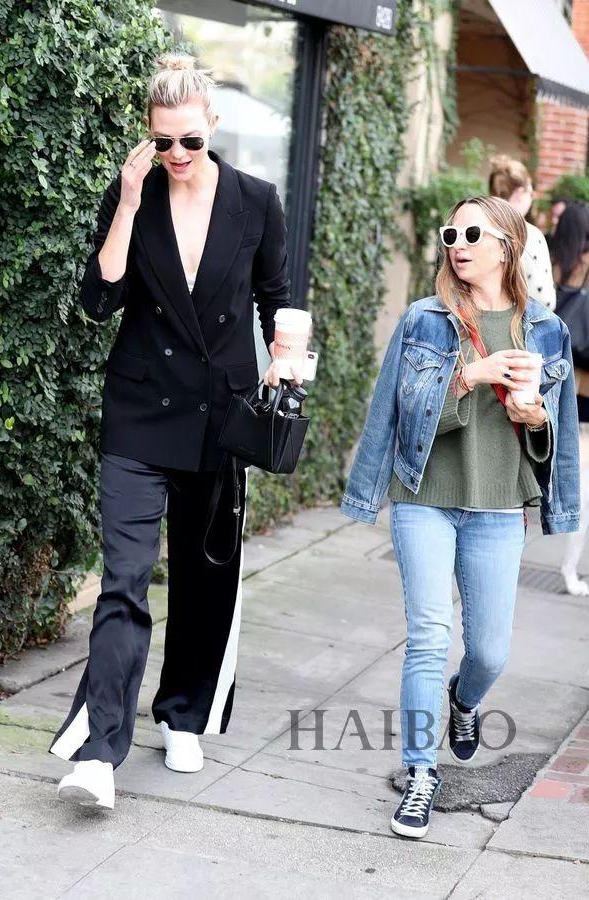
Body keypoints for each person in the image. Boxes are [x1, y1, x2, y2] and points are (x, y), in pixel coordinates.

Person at [50, 53, 294, 809]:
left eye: (190, 140)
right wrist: (126, 205)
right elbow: (99, 301)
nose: (178, 155)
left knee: (203, 575)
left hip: (220, 415)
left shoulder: (256, 200)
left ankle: (183, 713)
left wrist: (285, 359)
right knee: (123, 581)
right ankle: (100, 752)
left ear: (212, 125)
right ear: (149, 137)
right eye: (163, 142)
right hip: (138, 412)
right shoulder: (136, 195)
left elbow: (276, 297)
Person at [342, 196, 580, 839]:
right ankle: (421, 774)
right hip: (425, 498)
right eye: (451, 234)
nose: (459, 244)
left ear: (508, 244)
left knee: (490, 652)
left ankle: (465, 699)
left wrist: (536, 418)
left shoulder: (546, 331)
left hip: (499, 508)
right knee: (428, 636)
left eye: (473, 234)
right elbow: (394, 410)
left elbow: (553, 436)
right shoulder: (424, 319)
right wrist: (470, 375)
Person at [552, 202, 589, 596]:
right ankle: (569, 570)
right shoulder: (582, 269)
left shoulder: (549, 263)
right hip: (581, 402)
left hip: (550, 391)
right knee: (581, 493)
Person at [489, 155, 556, 310]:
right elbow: (544, 299)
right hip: (519, 320)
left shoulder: (477, 227)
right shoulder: (530, 234)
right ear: (520, 192)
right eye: (530, 193)